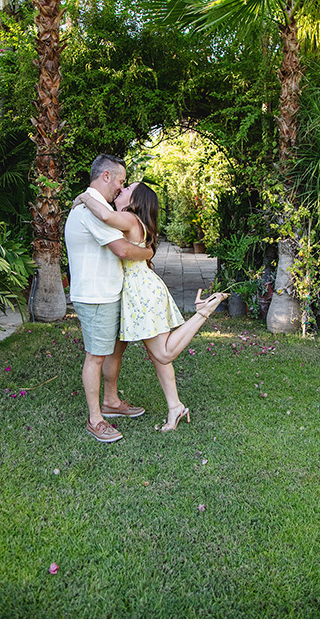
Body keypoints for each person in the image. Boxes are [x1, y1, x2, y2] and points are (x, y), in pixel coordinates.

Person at [75, 180, 228, 432]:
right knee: (158, 357)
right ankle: (175, 407)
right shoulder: (138, 223)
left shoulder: (129, 220)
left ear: (135, 202)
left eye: (127, 190)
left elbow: (103, 214)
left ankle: (202, 312)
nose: (121, 190)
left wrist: (84, 197)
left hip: (142, 294)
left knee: (163, 353)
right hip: (141, 292)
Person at [64, 154, 157, 443]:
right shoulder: (90, 209)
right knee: (96, 356)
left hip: (110, 293)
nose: (121, 186)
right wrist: (149, 253)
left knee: (114, 351)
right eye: (120, 180)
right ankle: (96, 419)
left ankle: (112, 401)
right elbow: (124, 250)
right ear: (106, 177)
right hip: (96, 297)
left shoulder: (98, 205)